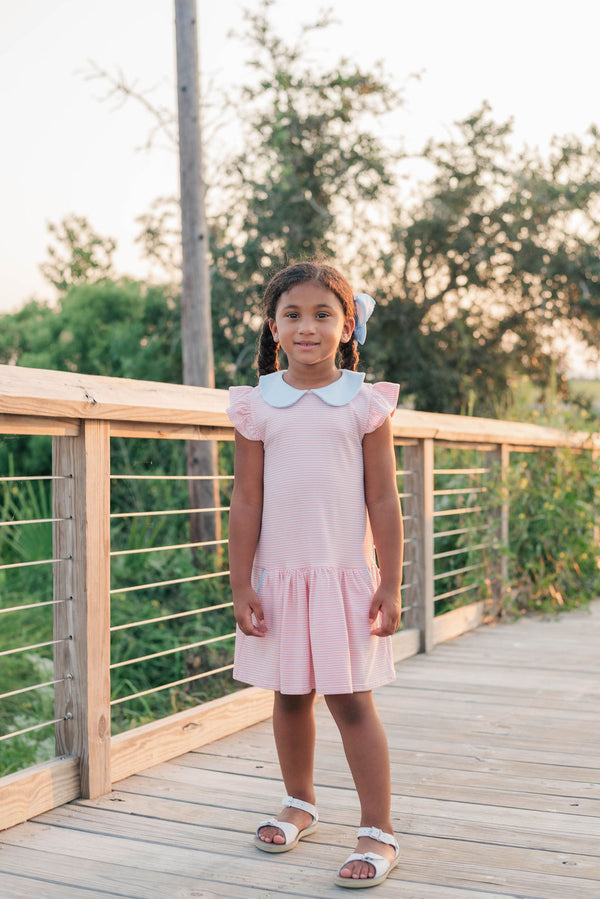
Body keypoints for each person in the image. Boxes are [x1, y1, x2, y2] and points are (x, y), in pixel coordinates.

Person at [226, 261, 403, 888]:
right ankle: (299, 800)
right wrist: (240, 581)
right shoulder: (257, 405)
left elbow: (383, 499)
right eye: (292, 315)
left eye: (322, 314)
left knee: (351, 701)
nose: (307, 327)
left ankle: (377, 829)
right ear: (273, 327)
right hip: (279, 576)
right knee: (291, 694)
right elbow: (246, 500)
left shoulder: (363, 402)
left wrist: (390, 581)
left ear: (346, 324)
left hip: (343, 577)